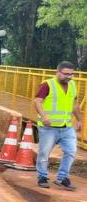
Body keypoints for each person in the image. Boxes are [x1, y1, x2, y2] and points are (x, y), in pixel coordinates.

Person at [34, 61, 82, 190]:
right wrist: (44, 116)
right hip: (48, 128)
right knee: (44, 153)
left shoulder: (72, 85)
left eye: (71, 74)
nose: (69, 77)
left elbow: (74, 104)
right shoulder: (47, 84)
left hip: (66, 126)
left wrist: (79, 119)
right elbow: (38, 101)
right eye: (66, 74)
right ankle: (42, 176)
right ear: (57, 72)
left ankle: (62, 178)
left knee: (71, 151)